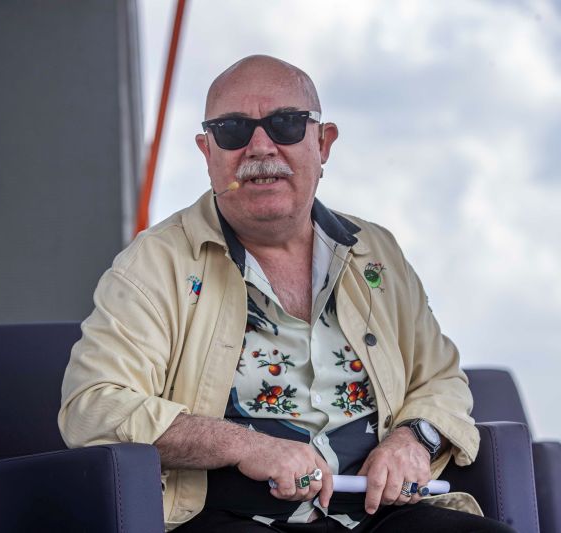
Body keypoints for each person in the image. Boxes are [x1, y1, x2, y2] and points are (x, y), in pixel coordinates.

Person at [59, 55, 514, 532]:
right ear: (207, 152)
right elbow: (94, 406)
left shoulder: (376, 253)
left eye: (286, 124)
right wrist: (243, 445)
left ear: (323, 143)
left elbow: (441, 379)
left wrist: (413, 439)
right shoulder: (155, 263)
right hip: (232, 517)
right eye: (232, 130)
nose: (260, 146)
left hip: (381, 515)